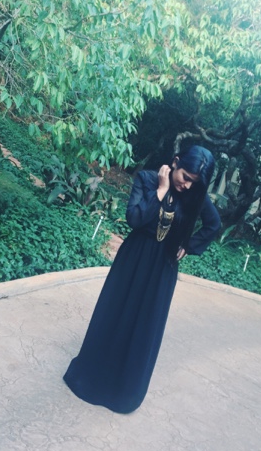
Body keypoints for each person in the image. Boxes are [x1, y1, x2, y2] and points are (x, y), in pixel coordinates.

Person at [63, 144, 221, 414]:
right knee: (115, 312)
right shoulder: (147, 179)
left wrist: (188, 246)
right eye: (185, 177)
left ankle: (124, 390)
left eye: (193, 183)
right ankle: (92, 376)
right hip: (133, 259)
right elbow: (134, 218)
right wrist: (161, 190)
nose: (186, 185)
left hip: (163, 269)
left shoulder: (194, 195)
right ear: (175, 162)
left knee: (144, 325)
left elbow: (213, 224)